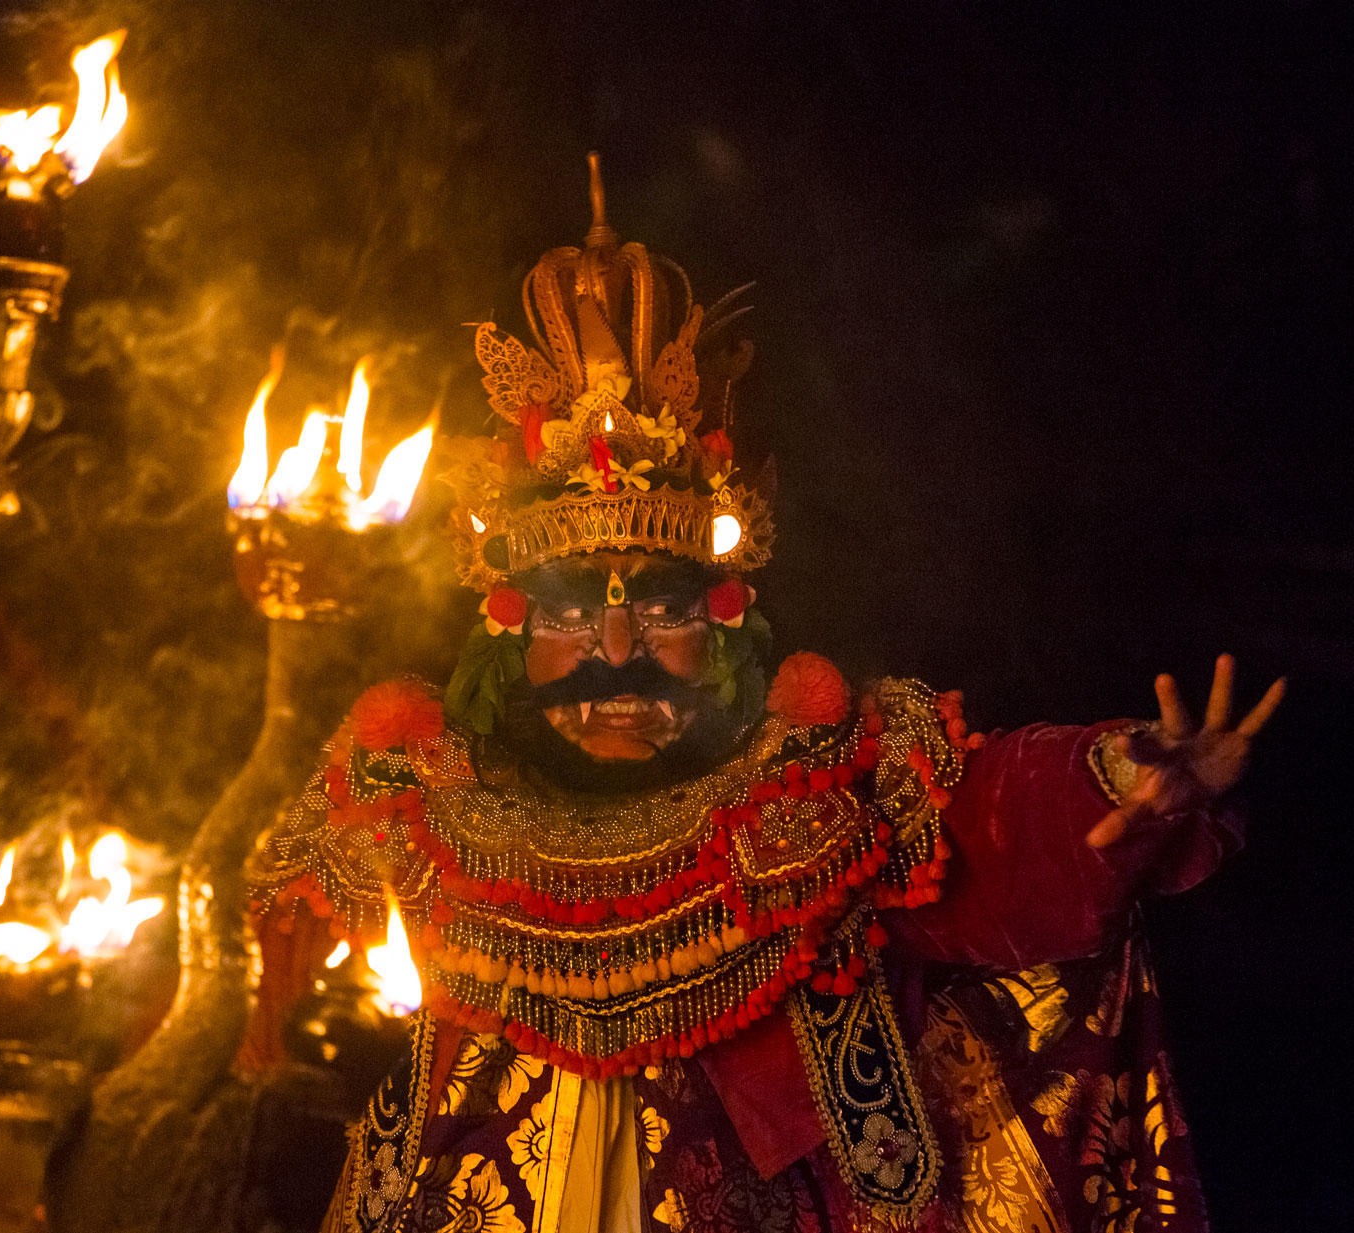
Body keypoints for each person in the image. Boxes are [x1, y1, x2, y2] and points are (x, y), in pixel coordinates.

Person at [245, 158, 1283, 1233]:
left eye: (660, 616)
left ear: (724, 626)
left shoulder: (815, 796)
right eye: (565, 618)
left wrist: (1115, 773)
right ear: (505, 636)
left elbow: (988, 827)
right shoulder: (420, 810)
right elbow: (265, 972)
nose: (614, 654)